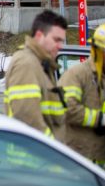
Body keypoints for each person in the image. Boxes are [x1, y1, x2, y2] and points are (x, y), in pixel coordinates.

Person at [60, 22, 105, 168]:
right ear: (97, 50)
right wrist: (103, 119)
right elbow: (68, 110)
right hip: (77, 160)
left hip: (104, 160)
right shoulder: (77, 75)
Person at [4, 10, 68, 141]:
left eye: (62, 41)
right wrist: (56, 149)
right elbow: (27, 119)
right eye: (56, 40)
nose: (60, 46)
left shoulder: (40, 64)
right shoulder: (26, 64)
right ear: (39, 36)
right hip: (32, 158)